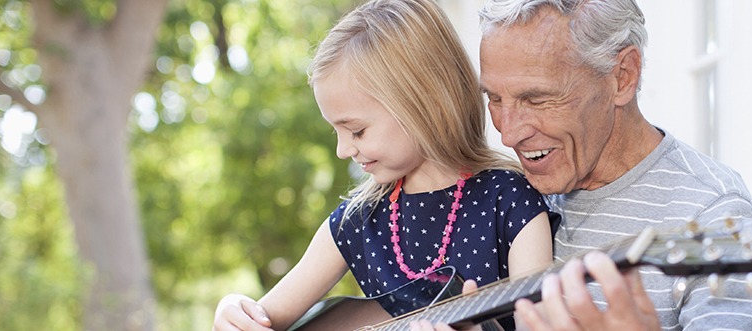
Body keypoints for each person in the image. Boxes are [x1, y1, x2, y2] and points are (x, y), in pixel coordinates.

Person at [415, 0, 752, 330]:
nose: (508, 134)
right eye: (494, 98)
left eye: (537, 99)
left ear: (623, 76)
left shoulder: (711, 213)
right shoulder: (506, 196)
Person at [211, 0, 553, 330]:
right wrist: (232, 308)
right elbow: (260, 317)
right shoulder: (357, 221)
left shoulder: (510, 200)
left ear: (424, 103)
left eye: (357, 130)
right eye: (337, 132)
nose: (343, 150)